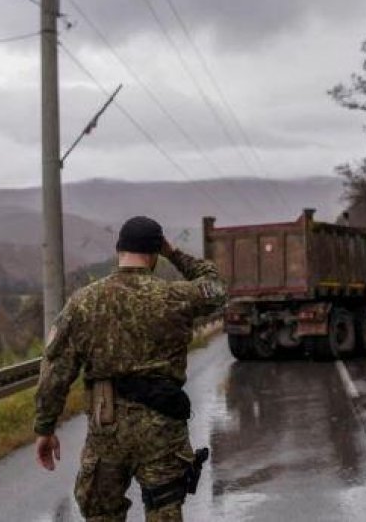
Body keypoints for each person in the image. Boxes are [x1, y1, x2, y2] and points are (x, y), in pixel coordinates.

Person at [33, 216, 227, 522]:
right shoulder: (174, 297)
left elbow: (55, 372)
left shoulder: (84, 302)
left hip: (107, 426)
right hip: (162, 428)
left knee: (101, 512)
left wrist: (45, 428)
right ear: (154, 253)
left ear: (118, 249)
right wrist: (174, 253)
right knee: (164, 511)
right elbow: (214, 286)